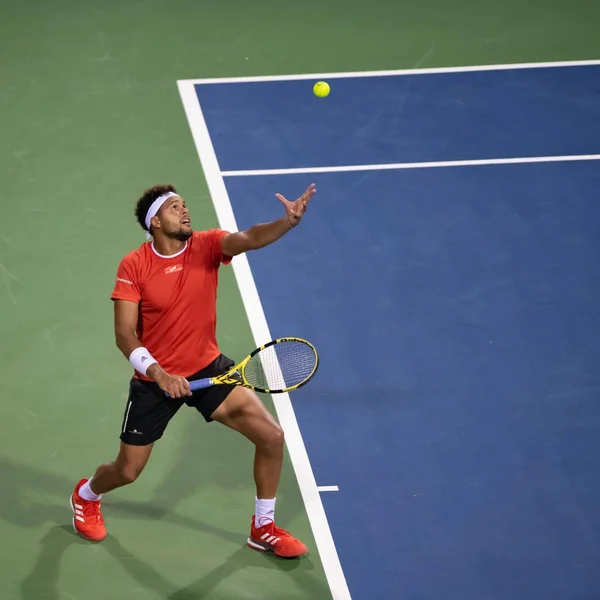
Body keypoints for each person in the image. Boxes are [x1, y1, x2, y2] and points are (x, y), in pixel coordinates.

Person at [70, 182, 317, 558]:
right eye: (174, 207)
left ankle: (262, 527)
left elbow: (249, 238)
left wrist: (287, 223)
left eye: (184, 205)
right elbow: (124, 334)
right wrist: (160, 374)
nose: (184, 211)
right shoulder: (134, 265)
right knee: (127, 470)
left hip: (208, 369)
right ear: (155, 222)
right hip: (155, 382)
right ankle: (87, 495)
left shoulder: (206, 244)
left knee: (271, 437)